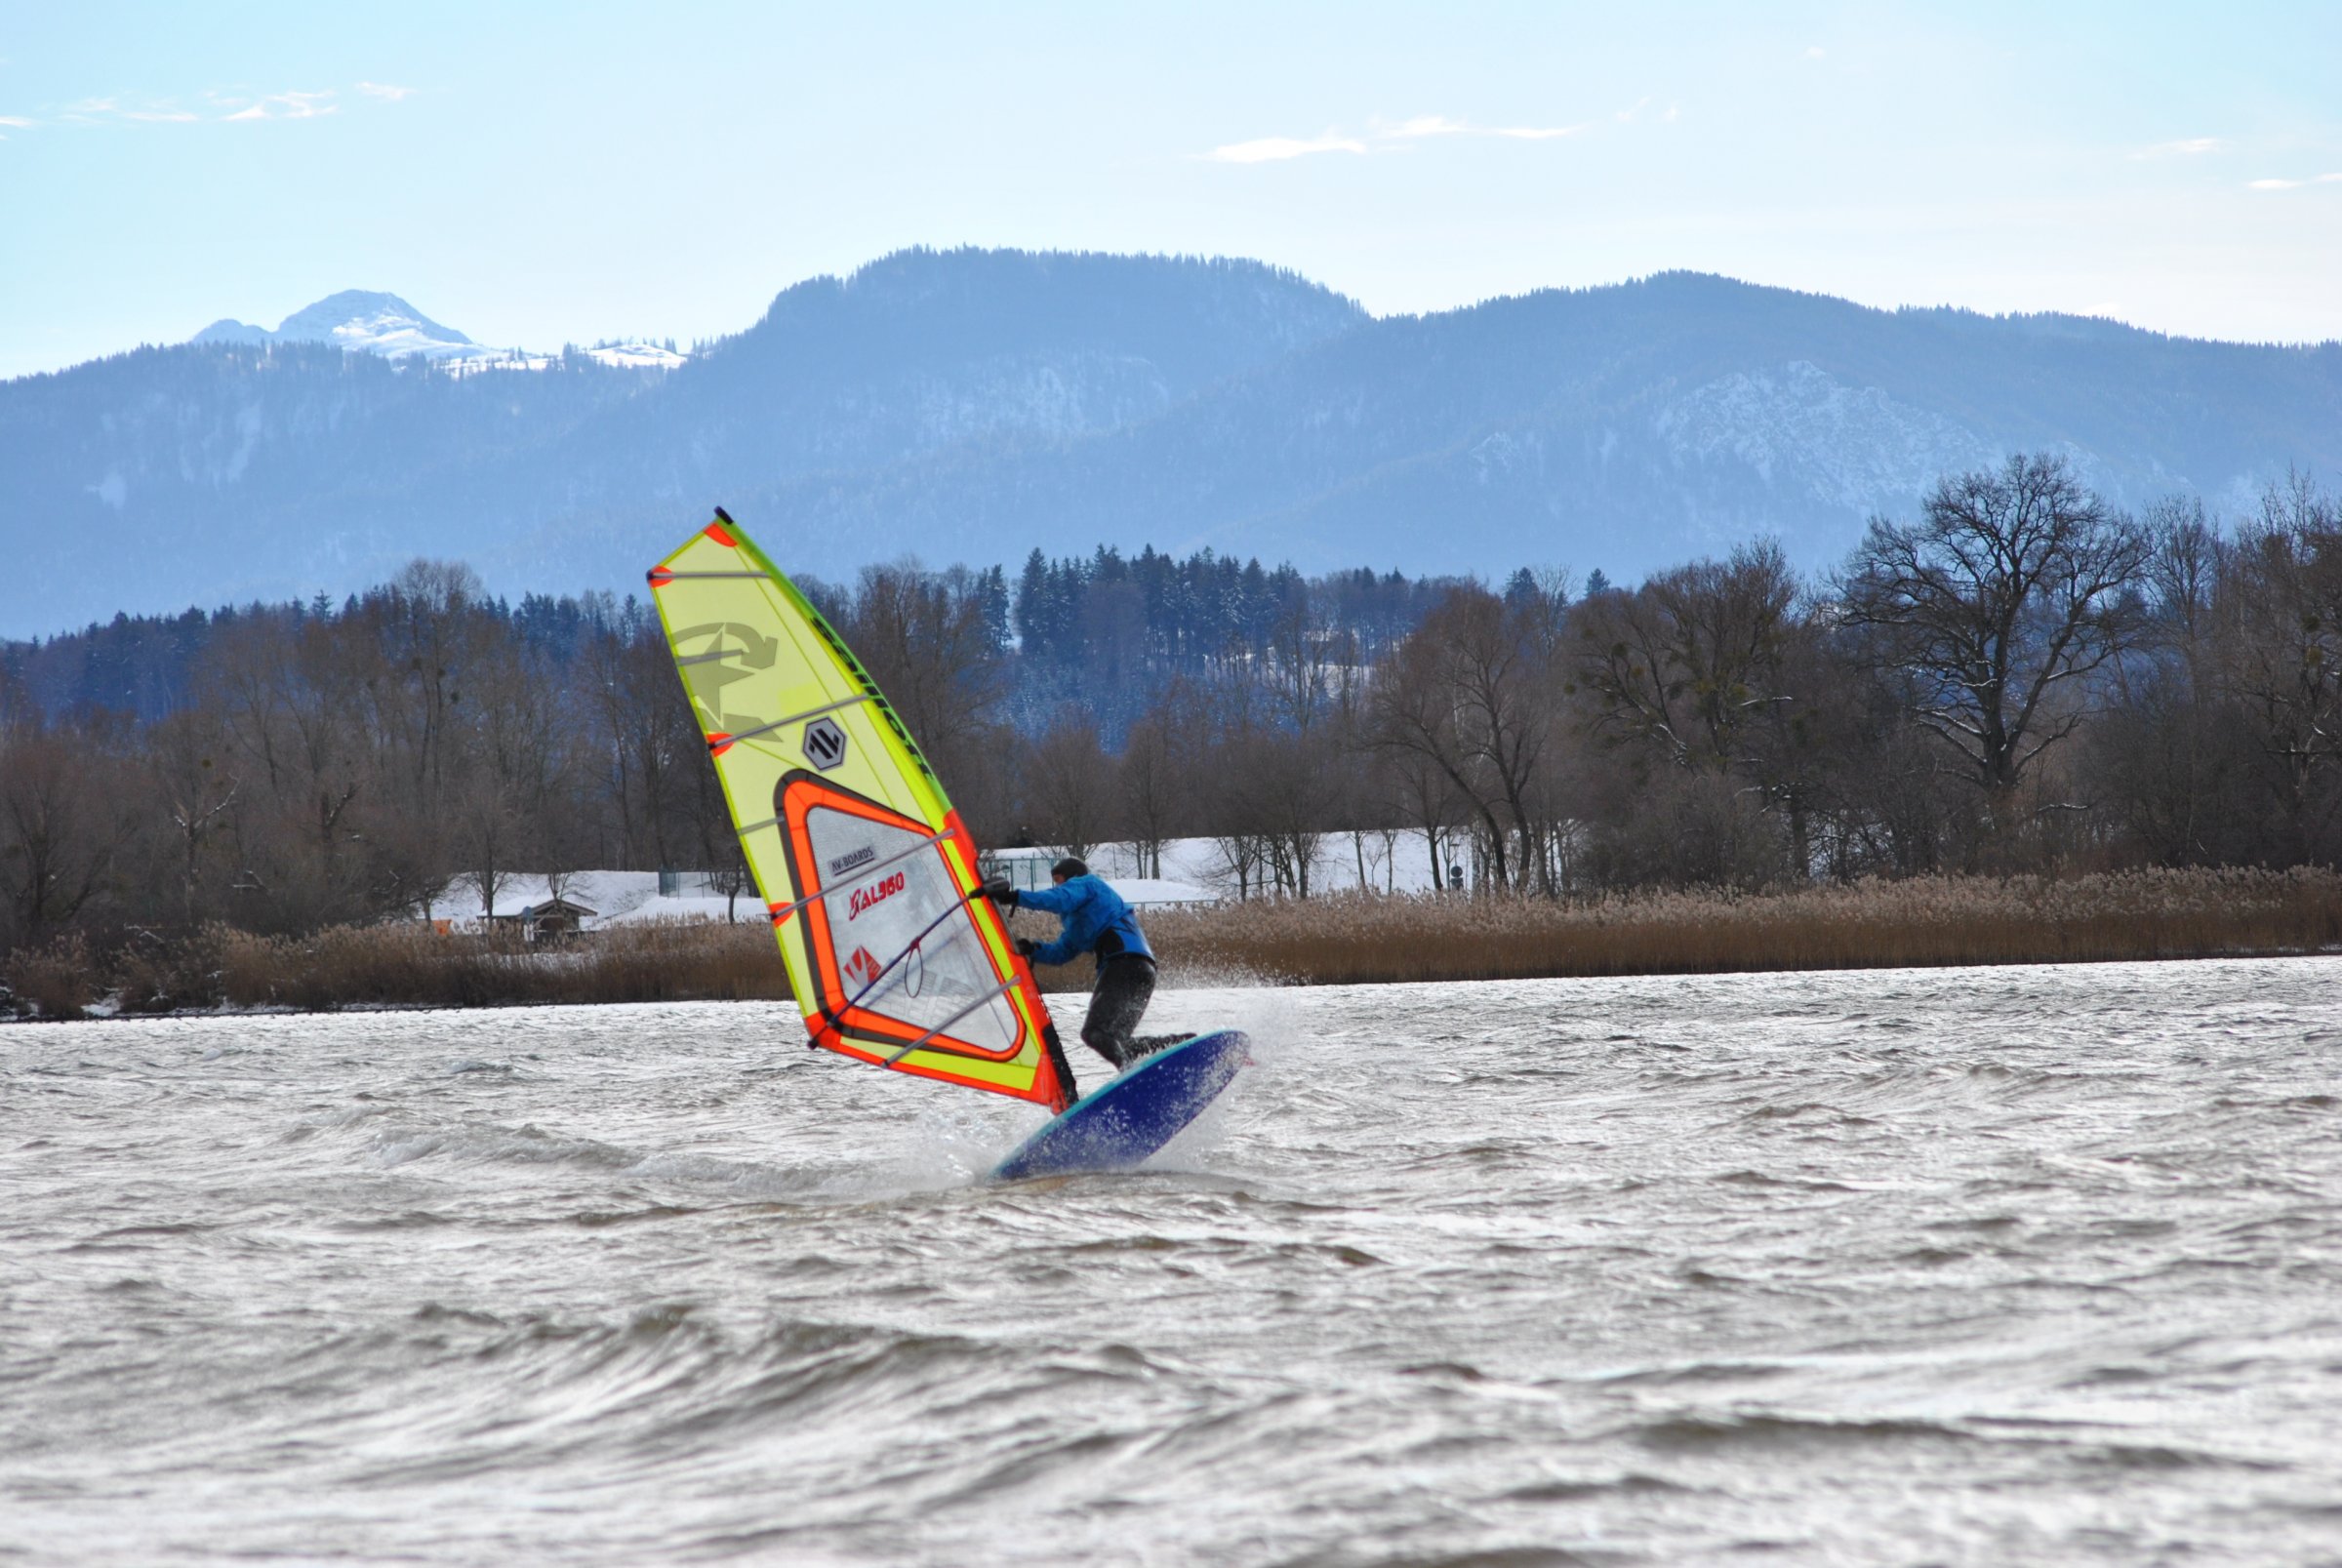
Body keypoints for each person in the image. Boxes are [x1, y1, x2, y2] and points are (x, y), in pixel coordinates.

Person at [985, 857, 1184, 1075]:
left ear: (1073, 877)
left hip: (1123, 964)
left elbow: (1060, 898)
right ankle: (1178, 1045)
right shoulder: (1080, 921)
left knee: (1094, 1033)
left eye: (1060, 881)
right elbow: (1062, 952)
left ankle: (1131, 1074)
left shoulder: (1087, 884)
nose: (1058, 886)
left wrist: (1015, 897)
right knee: (1116, 1040)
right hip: (1143, 970)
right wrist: (1033, 950)